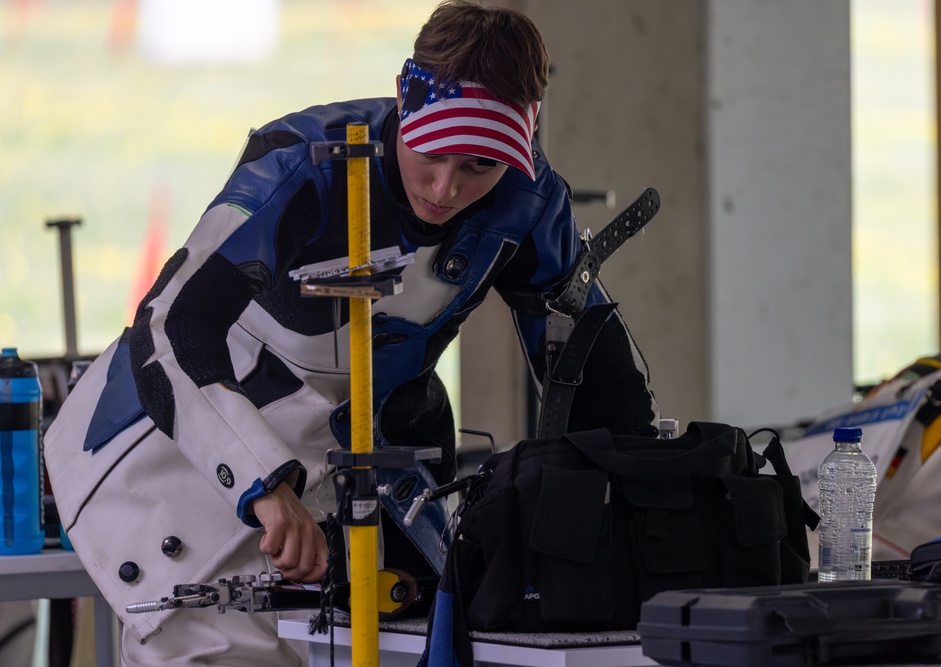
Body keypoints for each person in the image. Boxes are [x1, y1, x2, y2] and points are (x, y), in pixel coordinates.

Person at [43, 1, 659, 664]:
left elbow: (593, 373)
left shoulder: (528, 200)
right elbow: (169, 333)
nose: (447, 187)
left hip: (356, 467)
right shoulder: (302, 167)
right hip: (175, 454)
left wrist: (653, 493)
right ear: (404, 95)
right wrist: (262, 485)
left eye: (480, 166)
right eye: (435, 153)